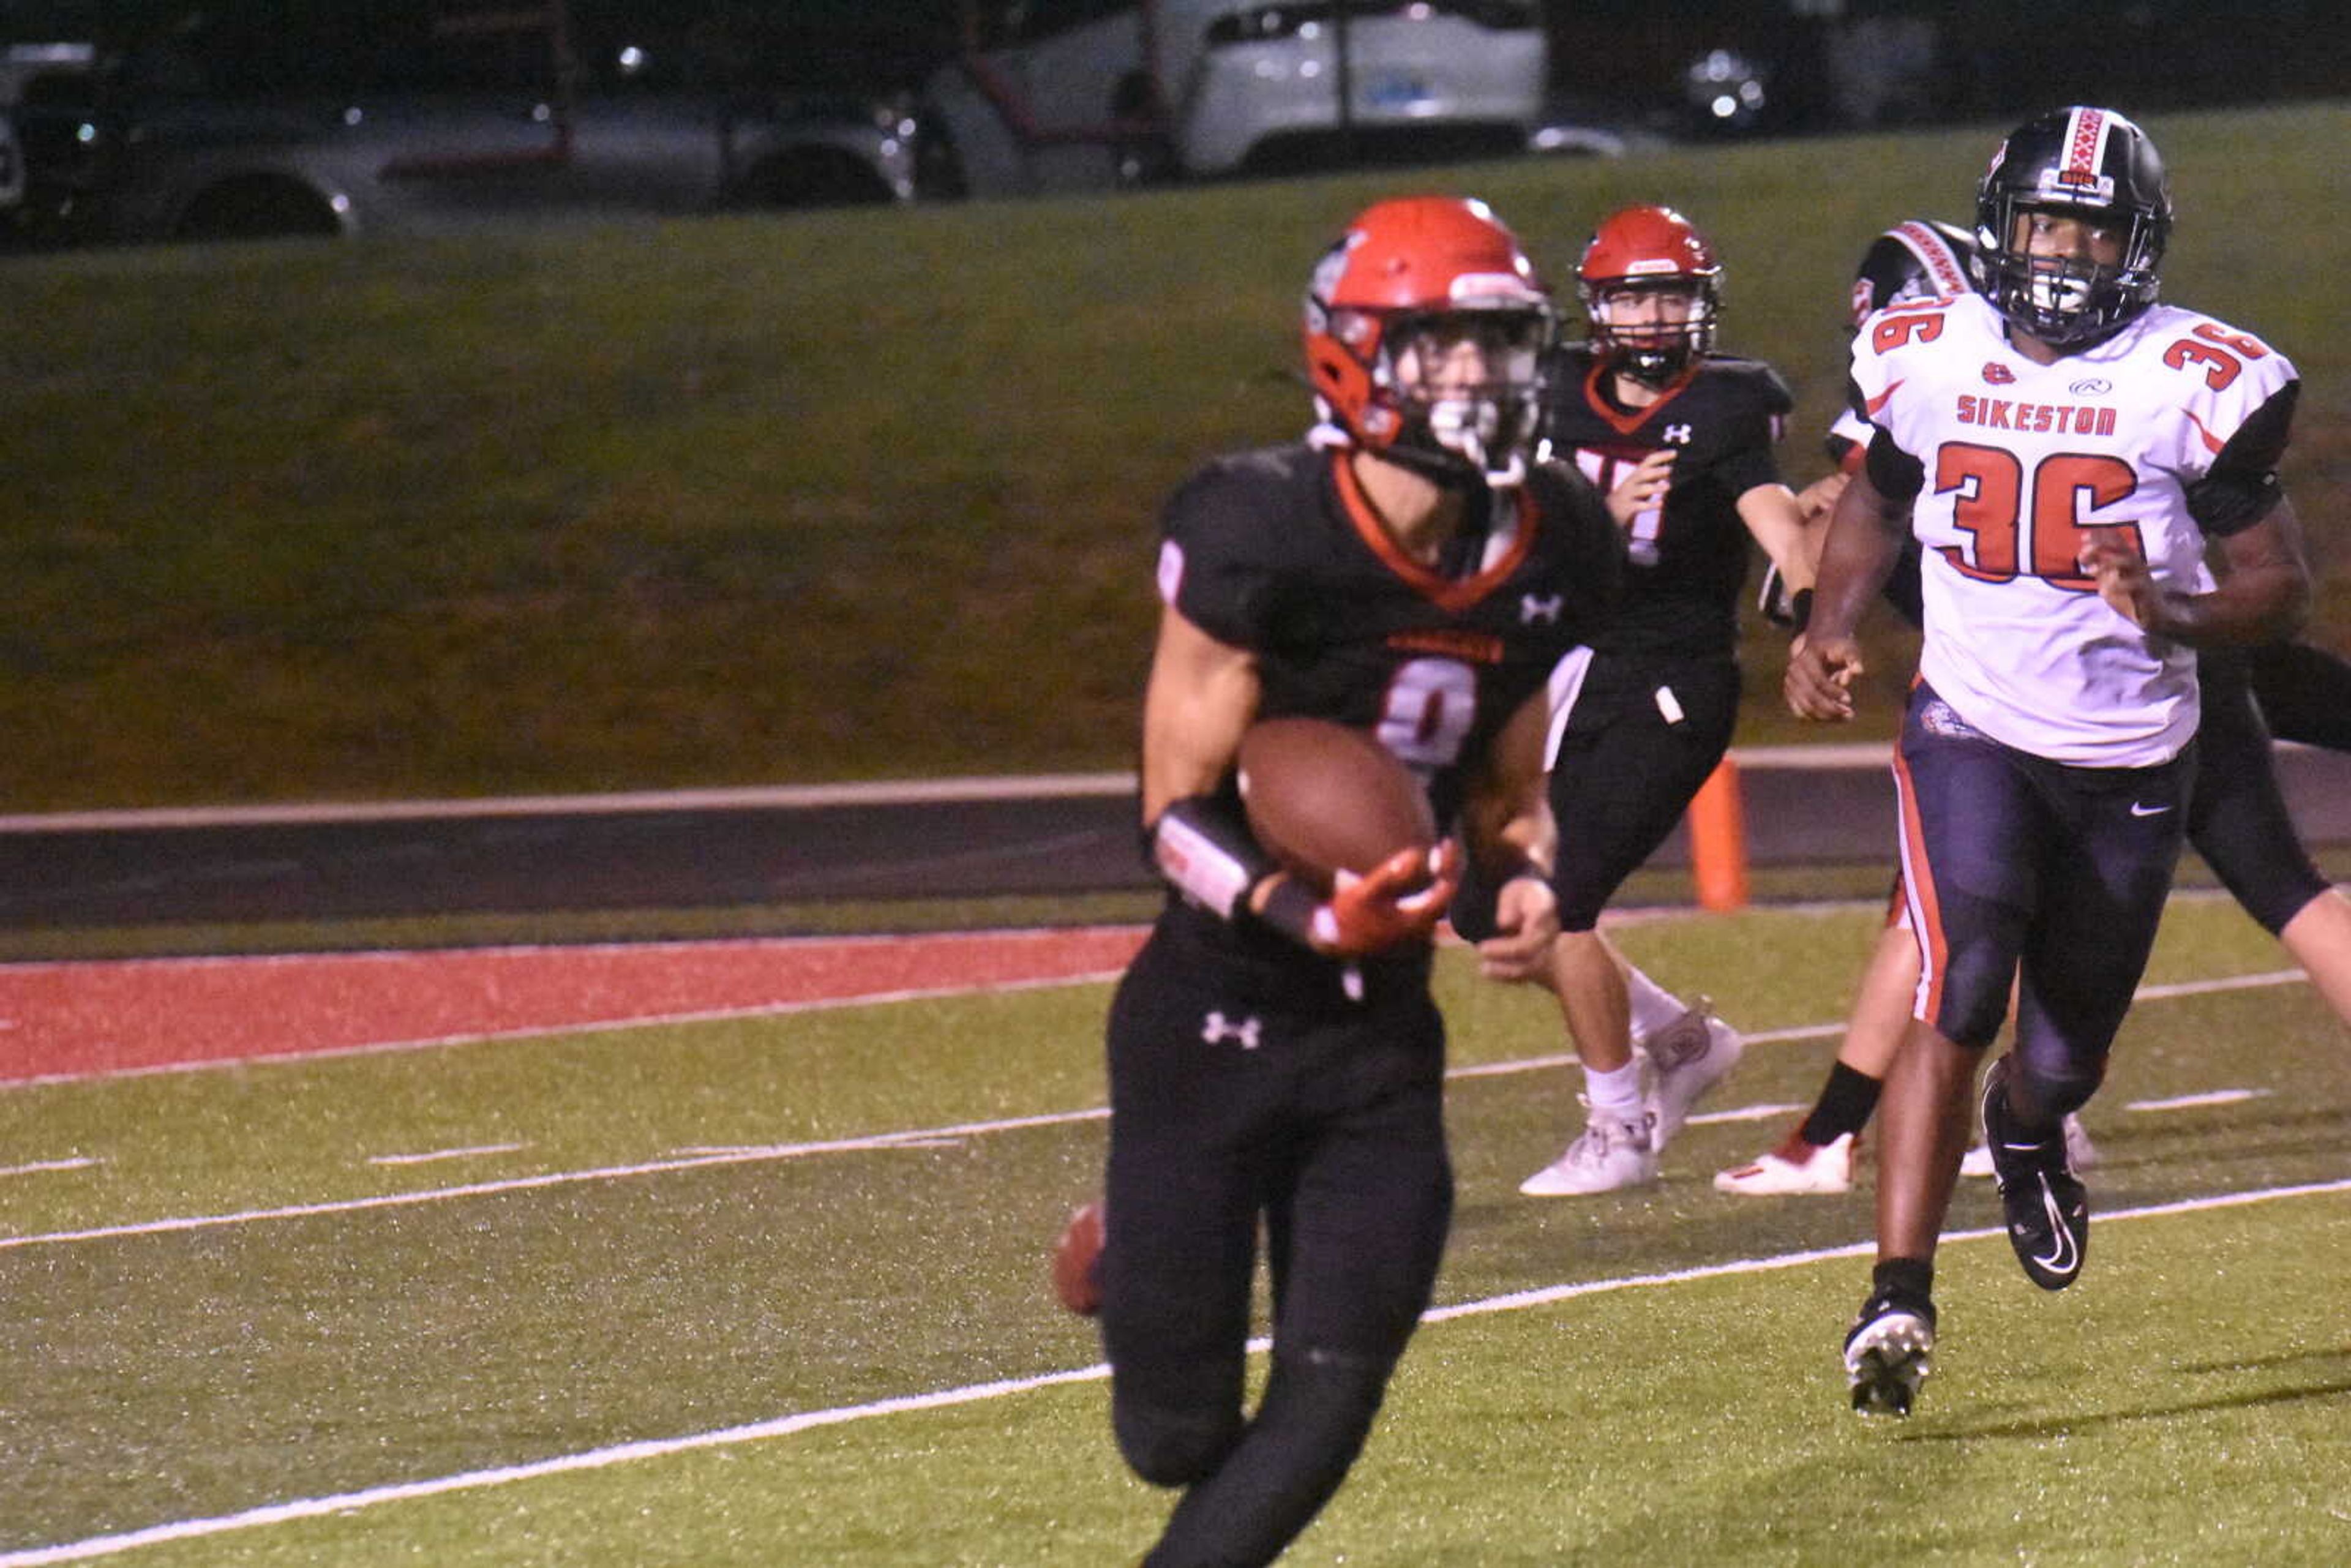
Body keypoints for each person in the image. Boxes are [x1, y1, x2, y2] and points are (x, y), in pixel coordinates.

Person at [1054, 195, 1624, 1563]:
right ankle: (1136, 1254)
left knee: (1331, 1392)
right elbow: (1171, 814)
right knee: (1175, 1440)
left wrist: (1532, 887)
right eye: (1443, 348)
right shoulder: (1262, 528)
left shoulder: (1556, 541)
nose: (1481, 380)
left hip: (1378, 1043)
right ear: (1352, 357)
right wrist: (1311, 908)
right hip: (1212, 1018)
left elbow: (1507, 797)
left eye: (1500, 345)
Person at [1788, 107, 2313, 1418]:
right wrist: (1832, 622)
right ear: (2001, 229)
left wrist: (2172, 614)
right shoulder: (1924, 347)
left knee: (2064, 1053)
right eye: (2045, 224)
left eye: (2093, 227)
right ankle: (1896, 1296)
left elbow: (2280, 588)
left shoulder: (2196, 378)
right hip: (1970, 725)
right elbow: (1878, 492)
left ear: (2140, 242)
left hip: (2137, 749)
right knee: (1959, 985)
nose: (2066, 254)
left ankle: (2026, 1131)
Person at [1717, 214, 2351, 1199]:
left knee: (1964, 918)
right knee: (2277, 888)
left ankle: (1850, 1132)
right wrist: (1818, 596)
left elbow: (1860, 503)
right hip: (2104, 675)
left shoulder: (1991, 373)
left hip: (2124, 685)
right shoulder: (1949, 373)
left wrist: (1812, 589)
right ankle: (1888, 1129)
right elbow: (1861, 502)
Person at [1513, 204, 1813, 1196]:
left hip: (1671, 681)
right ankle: (1682, 1044)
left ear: (1703, 303)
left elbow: (1776, 524)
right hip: (1561, 669)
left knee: (1560, 903)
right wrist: (1596, 519)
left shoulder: (1723, 411)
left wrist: (1819, 605)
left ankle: (1618, 1129)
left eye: (1671, 294)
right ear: (1596, 307)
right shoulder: (1548, 391)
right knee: (1485, 900)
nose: (1651, 315)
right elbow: (1490, 539)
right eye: (1632, 294)